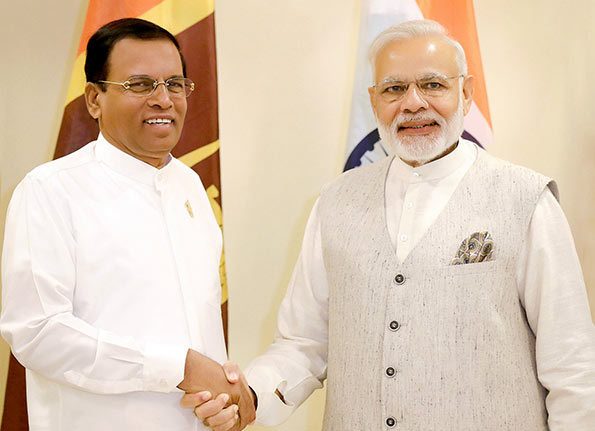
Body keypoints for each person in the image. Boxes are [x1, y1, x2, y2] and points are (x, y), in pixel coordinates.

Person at [187, 19, 595, 430]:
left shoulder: (525, 199)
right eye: (394, 89)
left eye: (433, 85)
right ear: (374, 99)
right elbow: (304, 343)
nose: (413, 103)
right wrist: (252, 395)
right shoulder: (335, 202)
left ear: (466, 93)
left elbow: (572, 364)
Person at [0, 18, 254, 431]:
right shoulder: (50, 190)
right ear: (94, 99)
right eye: (140, 84)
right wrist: (177, 366)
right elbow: (38, 332)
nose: (163, 99)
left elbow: (201, 329)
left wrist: (226, 397)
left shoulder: (190, 186)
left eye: (175, 83)